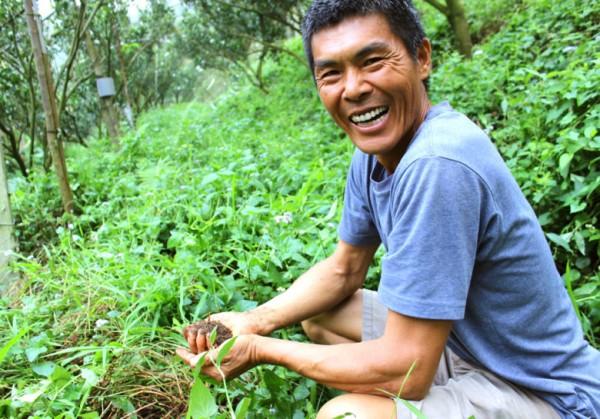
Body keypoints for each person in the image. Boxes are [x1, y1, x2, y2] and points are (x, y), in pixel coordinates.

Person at [176, 1, 600, 417]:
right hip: (456, 347)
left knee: (345, 417)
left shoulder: (438, 163)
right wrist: (254, 320)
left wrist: (262, 350)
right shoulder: (377, 151)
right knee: (323, 314)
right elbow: (345, 269)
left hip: (548, 394)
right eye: (331, 73)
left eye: (373, 61)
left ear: (422, 57)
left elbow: (408, 370)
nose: (354, 88)